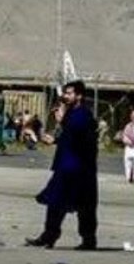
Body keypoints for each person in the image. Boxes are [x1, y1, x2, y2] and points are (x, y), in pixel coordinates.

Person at [28, 80, 98, 250]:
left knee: (85, 206)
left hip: (80, 168)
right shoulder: (71, 113)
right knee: (55, 201)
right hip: (66, 165)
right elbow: (69, 137)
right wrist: (55, 139)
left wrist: (63, 119)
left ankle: (88, 239)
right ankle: (49, 235)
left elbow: (79, 134)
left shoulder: (83, 114)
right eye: (65, 93)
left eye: (69, 93)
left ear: (79, 96)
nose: (66, 96)